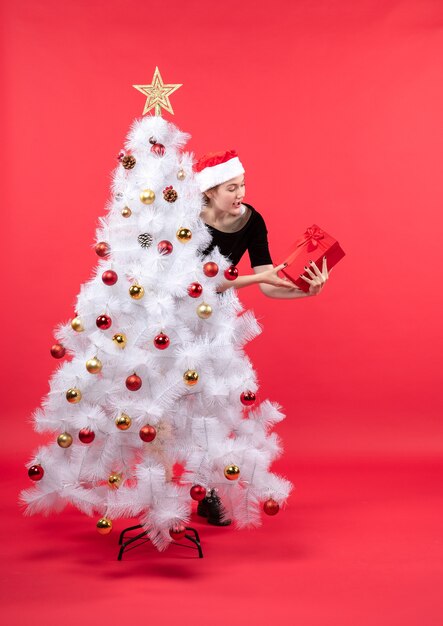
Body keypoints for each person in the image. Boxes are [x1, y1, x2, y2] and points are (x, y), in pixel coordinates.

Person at [193, 150, 330, 525]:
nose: (241, 194)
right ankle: (161, 495)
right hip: (173, 319)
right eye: (231, 188)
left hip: (215, 321)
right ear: (208, 193)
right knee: (170, 411)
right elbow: (198, 283)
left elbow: (269, 283)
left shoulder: (252, 220)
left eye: (243, 186)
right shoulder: (186, 219)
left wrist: (306, 290)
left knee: (214, 408)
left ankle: (209, 493)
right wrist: (255, 279)